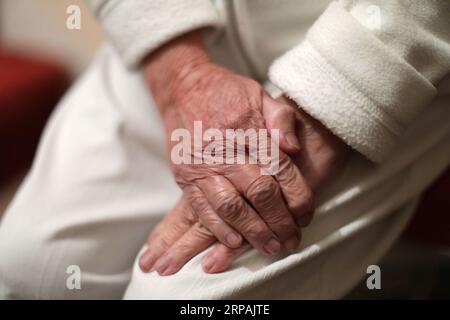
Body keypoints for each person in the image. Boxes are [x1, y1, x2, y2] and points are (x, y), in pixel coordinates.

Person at [0, 0, 449, 299]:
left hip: (372, 45)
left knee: (181, 299)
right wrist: (179, 73)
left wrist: (337, 98)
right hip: (173, 28)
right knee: (33, 270)